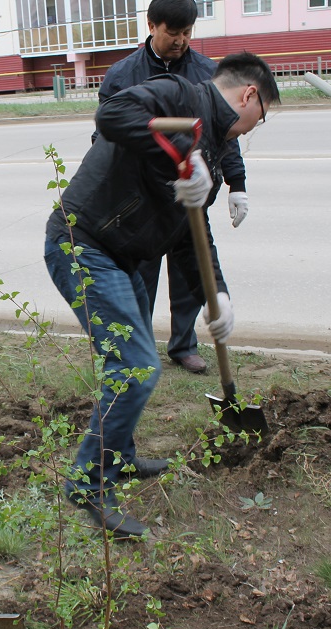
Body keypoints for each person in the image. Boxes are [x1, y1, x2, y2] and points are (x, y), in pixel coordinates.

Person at [44, 53, 279, 538]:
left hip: (119, 253)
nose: (255, 127)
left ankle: (121, 457)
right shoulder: (181, 95)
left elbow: (192, 233)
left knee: (137, 359)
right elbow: (110, 116)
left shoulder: (211, 144)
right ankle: (88, 483)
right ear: (250, 95)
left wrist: (220, 296)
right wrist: (178, 155)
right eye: (263, 116)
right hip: (81, 242)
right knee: (134, 369)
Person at [94, 0, 249, 375]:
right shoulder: (122, 74)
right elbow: (105, 135)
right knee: (140, 281)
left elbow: (225, 134)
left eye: (187, 33)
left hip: (188, 198)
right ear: (151, 25)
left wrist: (236, 183)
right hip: (142, 202)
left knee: (187, 276)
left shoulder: (207, 73)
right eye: (172, 33)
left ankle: (184, 345)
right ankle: (140, 351)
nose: (180, 41)